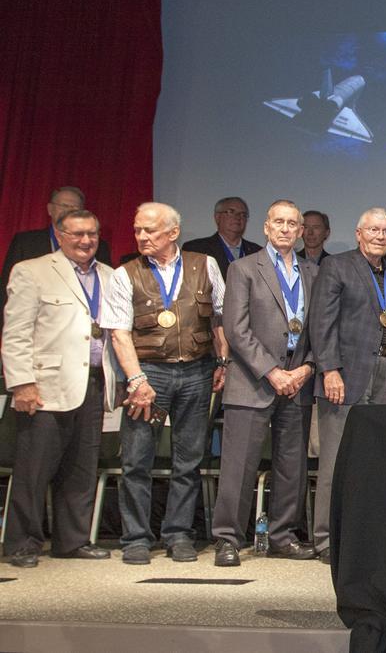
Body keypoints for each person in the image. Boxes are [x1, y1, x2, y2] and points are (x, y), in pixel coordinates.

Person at [101, 202, 229, 565]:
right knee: (137, 460)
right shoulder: (126, 274)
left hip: (197, 371)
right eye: (138, 229)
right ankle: (136, 538)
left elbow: (219, 318)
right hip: (149, 374)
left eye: (149, 230)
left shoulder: (205, 265)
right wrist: (136, 379)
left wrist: (223, 361)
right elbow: (119, 334)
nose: (141, 236)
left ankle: (178, 535)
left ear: (173, 233)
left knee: (188, 460)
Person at [2, 209, 118, 568]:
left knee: (81, 467)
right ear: (59, 233)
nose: (86, 241)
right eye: (77, 234)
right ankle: (22, 542)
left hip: (95, 383)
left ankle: (72, 540)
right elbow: (16, 333)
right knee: (34, 468)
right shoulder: (33, 271)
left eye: (92, 235)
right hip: (45, 386)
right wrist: (21, 383)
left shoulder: (111, 276)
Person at [212, 200, 318, 567]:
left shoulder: (312, 272)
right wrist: (272, 372)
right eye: (279, 222)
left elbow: (319, 330)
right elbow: (236, 330)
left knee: (292, 465)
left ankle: (283, 537)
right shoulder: (243, 268)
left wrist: (306, 369)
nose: (286, 229)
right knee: (238, 465)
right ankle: (228, 539)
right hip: (254, 381)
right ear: (266, 228)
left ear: (301, 231)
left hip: (297, 380)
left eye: (293, 223)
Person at [308, 207, 386, 564]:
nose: (381, 237)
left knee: (376, 460)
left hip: (385, 371)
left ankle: (367, 535)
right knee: (335, 462)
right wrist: (329, 370)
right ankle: (325, 540)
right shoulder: (337, 266)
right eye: (374, 230)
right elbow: (321, 323)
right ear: (359, 233)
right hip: (345, 375)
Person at [1, 186, 112, 333]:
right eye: (64, 206)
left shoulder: (99, 247)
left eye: (75, 206)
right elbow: (7, 293)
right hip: (43, 335)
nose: (69, 210)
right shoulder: (26, 242)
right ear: (50, 209)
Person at [181, 196, 263, 278]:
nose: (238, 217)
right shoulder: (196, 249)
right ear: (217, 217)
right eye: (231, 212)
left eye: (243, 214)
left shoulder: (258, 252)